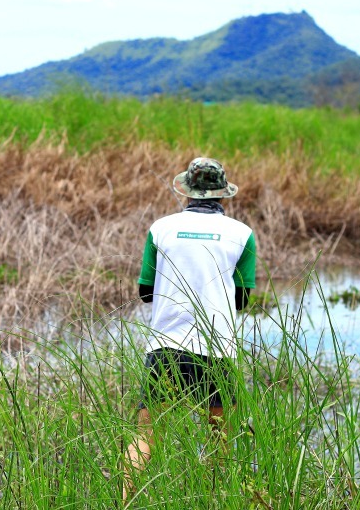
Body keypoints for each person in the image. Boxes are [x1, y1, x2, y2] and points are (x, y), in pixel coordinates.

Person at [123, 157, 257, 501]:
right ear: (222, 194)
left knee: (145, 436)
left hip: (164, 347)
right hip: (217, 350)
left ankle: (123, 501)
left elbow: (145, 292)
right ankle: (213, 500)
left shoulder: (161, 228)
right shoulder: (243, 235)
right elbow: (242, 300)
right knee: (219, 438)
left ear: (187, 190)